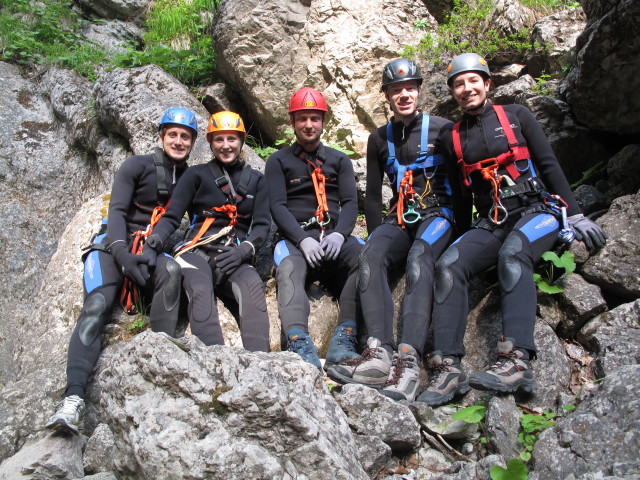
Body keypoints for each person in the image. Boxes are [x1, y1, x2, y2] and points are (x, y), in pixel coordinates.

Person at [416, 53, 607, 406]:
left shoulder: (516, 115)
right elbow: (461, 196)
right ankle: (448, 369)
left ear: (487, 84)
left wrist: (576, 215)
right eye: (458, 84)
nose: (466, 88)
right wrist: (458, 238)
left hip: (537, 209)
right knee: (449, 265)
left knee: (514, 253)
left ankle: (516, 359)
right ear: (453, 92)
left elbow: (548, 163)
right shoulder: (451, 137)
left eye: (473, 80)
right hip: (493, 219)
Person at [46, 107, 198, 433]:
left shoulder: (191, 178)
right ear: (161, 137)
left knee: (171, 275)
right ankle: (72, 400)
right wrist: (121, 254)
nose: (178, 140)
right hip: (113, 246)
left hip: (152, 251)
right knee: (98, 305)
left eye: (185, 136)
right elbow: (116, 211)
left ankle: (158, 365)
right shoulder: (135, 165)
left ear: (192, 142)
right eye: (172, 134)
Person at [326, 58, 456, 402]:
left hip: (437, 214)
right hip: (399, 216)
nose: (404, 95)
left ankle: (408, 360)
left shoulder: (444, 129)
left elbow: (461, 184)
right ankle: (379, 352)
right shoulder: (379, 139)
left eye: (409, 88)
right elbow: (371, 195)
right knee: (369, 255)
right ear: (387, 95)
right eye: (396, 90)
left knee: (418, 258)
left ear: (419, 90)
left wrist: (465, 230)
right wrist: (375, 235)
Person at [142, 111, 270, 352]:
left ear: (241, 141)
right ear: (210, 142)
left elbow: (262, 225)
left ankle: (259, 365)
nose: (226, 146)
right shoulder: (196, 175)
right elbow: (172, 216)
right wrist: (153, 242)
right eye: (219, 139)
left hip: (232, 254)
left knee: (253, 287)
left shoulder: (257, 180)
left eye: (231, 139)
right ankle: (215, 363)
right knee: (200, 289)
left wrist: (244, 251)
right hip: (195, 252)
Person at [265, 87, 363, 369]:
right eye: (302, 118)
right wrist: (301, 238)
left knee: (364, 260)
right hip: (296, 238)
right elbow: (278, 207)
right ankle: (299, 342)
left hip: (332, 235)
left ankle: (344, 338)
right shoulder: (278, 161)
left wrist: (339, 233)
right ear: (293, 122)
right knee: (289, 268)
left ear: (323, 121)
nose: (309, 125)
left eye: (315, 118)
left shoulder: (339, 160)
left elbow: (349, 203)